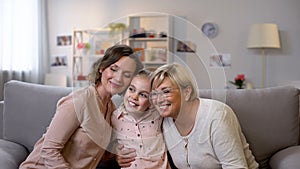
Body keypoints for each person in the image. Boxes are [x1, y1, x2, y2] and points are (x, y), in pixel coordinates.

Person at [19, 44, 144, 169]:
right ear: (101, 68)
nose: (118, 78)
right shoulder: (78, 101)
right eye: (114, 69)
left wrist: (117, 155)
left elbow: (95, 152)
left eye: (127, 75)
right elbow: (48, 150)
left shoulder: (112, 110)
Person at [118, 63, 259, 169]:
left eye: (166, 91)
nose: (158, 99)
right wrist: (119, 156)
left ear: (186, 92)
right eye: (154, 93)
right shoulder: (164, 120)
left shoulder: (217, 116)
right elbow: (134, 125)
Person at [110, 69, 170, 169]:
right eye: (131, 89)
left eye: (143, 95)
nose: (134, 97)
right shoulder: (115, 117)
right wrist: (116, 152)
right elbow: (108, 145)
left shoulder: (158, 115)